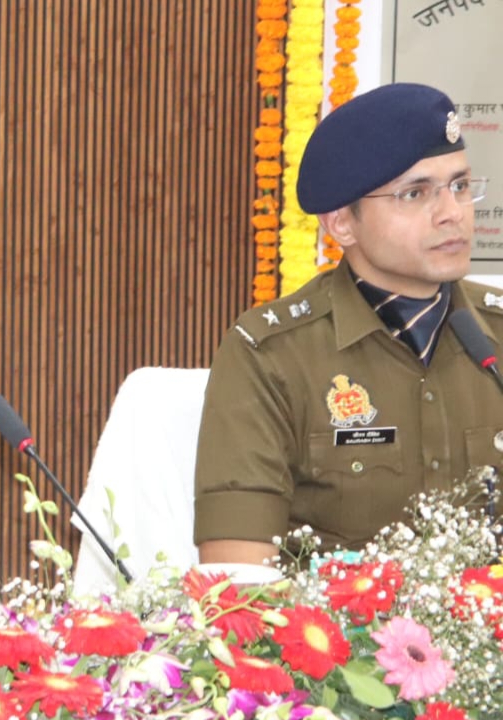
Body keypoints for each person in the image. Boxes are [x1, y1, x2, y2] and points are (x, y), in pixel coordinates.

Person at [195, 83, 503, 563]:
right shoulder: (272, 355)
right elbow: (238, 574)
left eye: (460, 186)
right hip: (333, 613)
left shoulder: (495, 335)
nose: (452, 214)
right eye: (416, 193)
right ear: (341, 223)